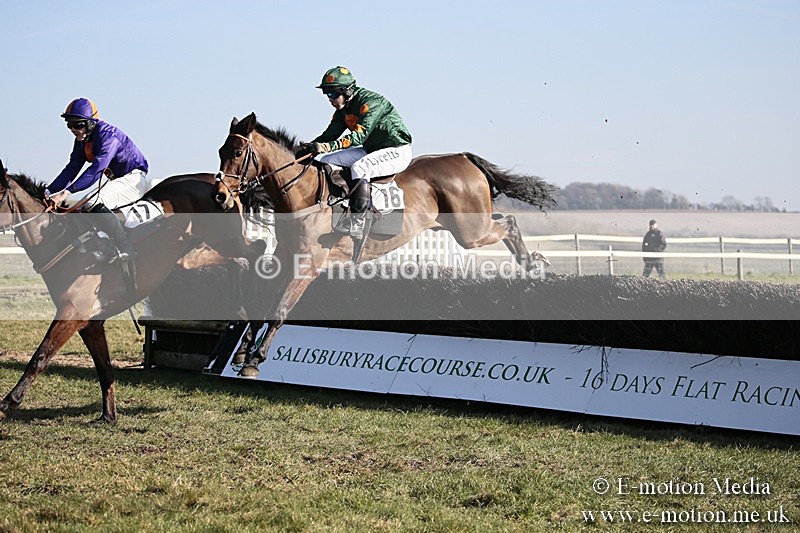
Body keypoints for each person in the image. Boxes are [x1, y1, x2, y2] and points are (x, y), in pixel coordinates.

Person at [295, 66, 413, 243]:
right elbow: (329, 136)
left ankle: (358, 221)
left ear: (347, 91)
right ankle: (341, 203)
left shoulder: (372, 103)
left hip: (397, 150)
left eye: (333, 94)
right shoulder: (343, 111)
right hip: (371, 149)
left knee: (360, 167)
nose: (330, 99)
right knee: (327, 161)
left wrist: (325, 146)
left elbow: (358, 137)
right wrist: (310, 148)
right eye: (327, 95)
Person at [46, 97, 150, 262]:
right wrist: (48, 191)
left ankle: (126, 249)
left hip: (134, 178)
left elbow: (96, 170)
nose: (73, 129)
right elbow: (72, 168)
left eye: (78, 125)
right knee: (81, 208)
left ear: (91, 123)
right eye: (69, 125)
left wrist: (65, 193)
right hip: (117, 179)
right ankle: (103, 246)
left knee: (91, 202)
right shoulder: (83, 139)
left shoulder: (108, 136)